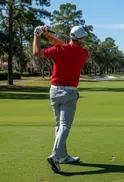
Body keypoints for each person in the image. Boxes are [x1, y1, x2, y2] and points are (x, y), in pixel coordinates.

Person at [32, 25, 89, 173]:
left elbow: (36, 52)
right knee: (64, 126)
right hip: (69, 93)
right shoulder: (83, 53)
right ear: (81, 39)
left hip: (54, 91)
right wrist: (47, 35)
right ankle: (55, 155)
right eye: (83, 38)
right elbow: (66, 47)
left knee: (59, 125)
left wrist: (38, 35)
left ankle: (63, 156)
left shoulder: (58, 50)